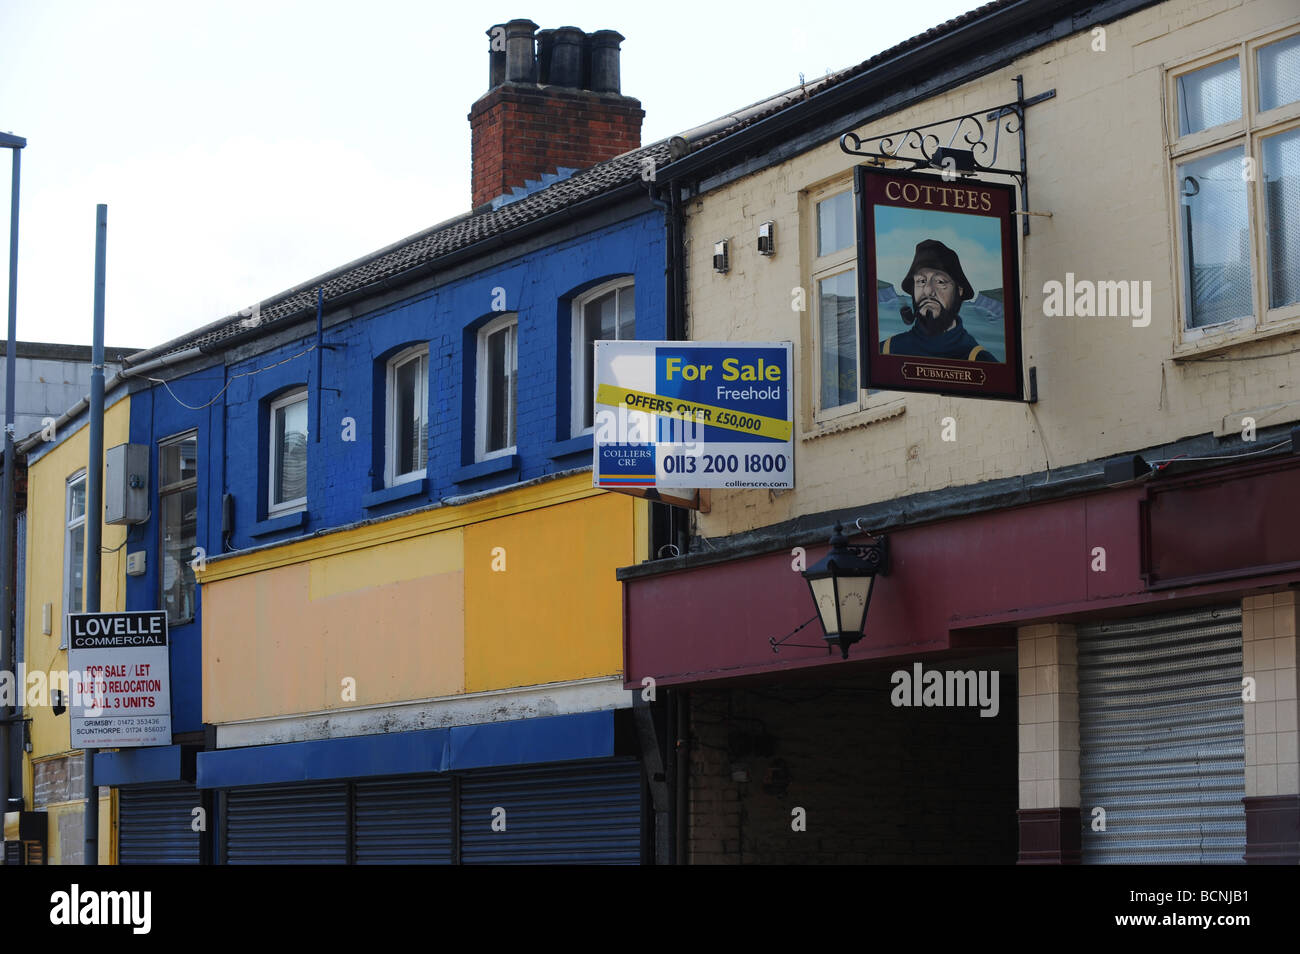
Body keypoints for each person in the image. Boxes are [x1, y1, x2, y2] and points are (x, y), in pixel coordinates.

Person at [881, 239, 997, 362]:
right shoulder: (887, 350)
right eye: (921, 281)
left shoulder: (980, 360)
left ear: (959, 290)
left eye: (940, 282)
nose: (928, 290)